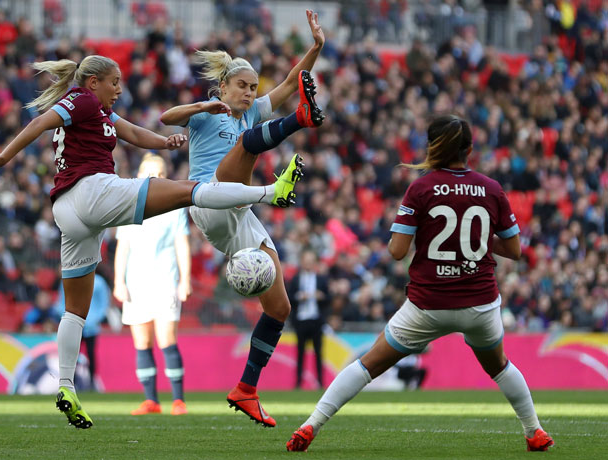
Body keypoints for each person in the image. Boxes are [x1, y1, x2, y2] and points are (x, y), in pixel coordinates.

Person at [0, 54, 302, 430]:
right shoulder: (81, 99)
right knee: (191, 191)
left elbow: (132, 133)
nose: (119, 88)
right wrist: (4, 157)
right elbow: (39, 123)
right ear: (93, 81)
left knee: (74, 310)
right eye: (114, 81)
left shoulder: (97, 112)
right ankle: (269, 191)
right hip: (92, 191)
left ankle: (65, 386)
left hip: (70, 212)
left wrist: (166, 143)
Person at [286, 115, 554, 452]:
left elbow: (397, 252)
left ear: (432, 148)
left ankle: (310, 426)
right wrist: (476, 239)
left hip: (428, 305)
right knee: (500, 367)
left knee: (368, 364)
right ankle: (535, 431)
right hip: (479, 305)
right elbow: (514, 250)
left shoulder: (421, 188)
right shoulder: (492, 188)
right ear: (469, 149)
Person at [159, 9, 325, 427]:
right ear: (224, 87)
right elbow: (166, 118)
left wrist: (316, 48)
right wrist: (205, 105)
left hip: (240, 209)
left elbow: (290, 83)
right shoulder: (208, 112)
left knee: (280, 307)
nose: (250, 93)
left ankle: (246, 389)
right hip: (208, 200)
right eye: (242, 87)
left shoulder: (250, 112)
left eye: (253, 87)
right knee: (249, 147)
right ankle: (299, 123)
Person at [113, 154, 191, 416]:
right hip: (136, 283)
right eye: (149, 172)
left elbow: (182, 244)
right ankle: (151, 400)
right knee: (142, 342)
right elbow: (122, 247)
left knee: (167, 340)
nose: (154, 176)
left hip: (165, 281)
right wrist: (118, 281)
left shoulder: (174, 207)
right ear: (139, 175)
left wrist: (185, 280)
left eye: (159, 172)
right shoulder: (128, 206)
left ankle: (178, 400)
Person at [54, 267, 111, 391]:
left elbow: (104, 304)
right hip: (74, 325)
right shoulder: (68, 279)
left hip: (90, 327)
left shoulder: (99, 282)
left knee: (90, 355)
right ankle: (72, 383)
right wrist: (68, 319)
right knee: (72, 356)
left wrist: (93, 319)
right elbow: (60, 303)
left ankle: (91, 382)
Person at [286, 249, 329, 389]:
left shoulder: (321, 279)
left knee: (319, 353)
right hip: (301, 320)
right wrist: (300, 296)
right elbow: (289, 297)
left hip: (316, 320)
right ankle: (298, 383)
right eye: (306, 261)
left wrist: (321, 296)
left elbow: (329, 298)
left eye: (311, 261)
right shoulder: (296, 279)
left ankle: (320, 383)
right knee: (300, 353)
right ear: (302, 262)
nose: (309, 264)